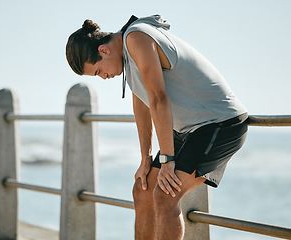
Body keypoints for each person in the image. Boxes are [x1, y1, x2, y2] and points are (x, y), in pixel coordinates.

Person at [66, 14, 248, 240]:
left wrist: (167, 161)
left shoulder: (136, 38)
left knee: (165, 195)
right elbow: (142, 105)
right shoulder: (127, 55)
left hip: (220, 124)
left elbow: (159, 100)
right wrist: (146, 158)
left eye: (98, 71)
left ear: (103, 51)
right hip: (188, 129)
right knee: (142, 190)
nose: (103, 77)